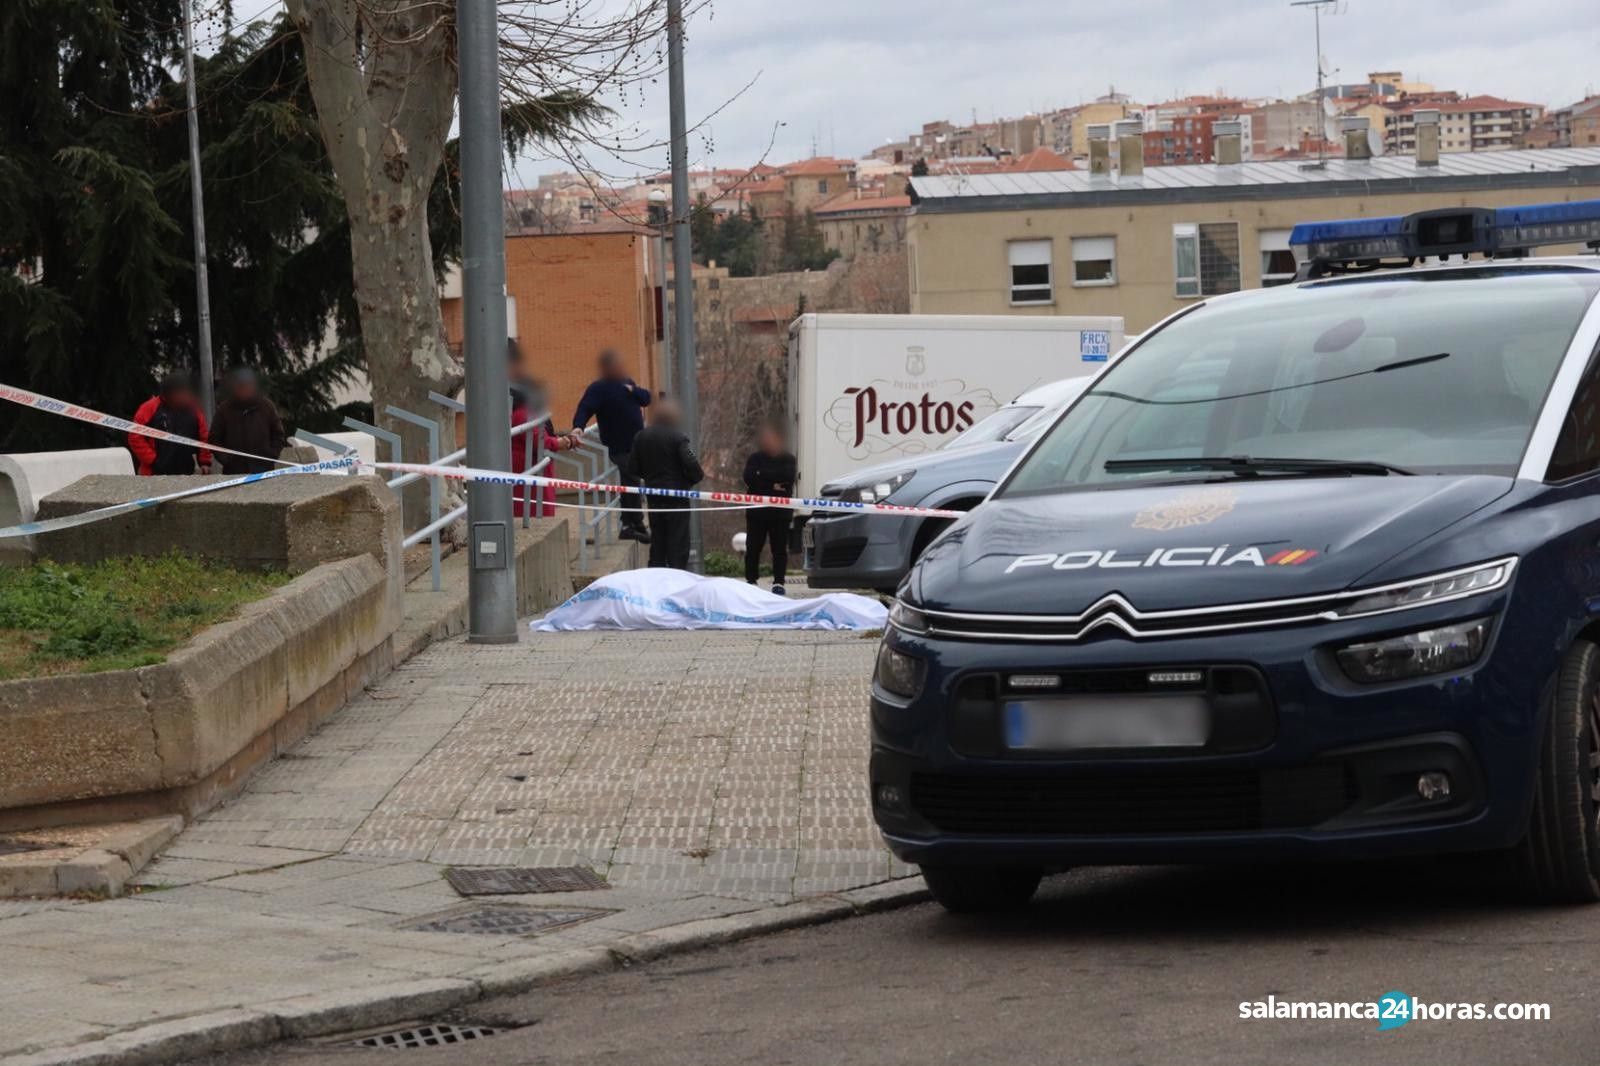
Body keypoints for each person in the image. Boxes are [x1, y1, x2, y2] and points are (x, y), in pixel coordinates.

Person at [570, 349, 652, 542]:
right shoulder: (598, 389)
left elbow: (647, 398)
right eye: (617, 366)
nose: (621, 369)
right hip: (618, 445)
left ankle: (628, 522)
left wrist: (633, 390)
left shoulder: (627, 384)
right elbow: (585, 408)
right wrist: (578, 428)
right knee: (631, 480)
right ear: (608, 368)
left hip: (636, 444)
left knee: (630, 482)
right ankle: (634, 523)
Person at [623, 398, 703, 570]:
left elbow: (632, 467)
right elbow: (694, 469)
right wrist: (686, 483)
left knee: (658, 544)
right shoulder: (678, 438)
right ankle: (677, 582)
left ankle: (655, 584)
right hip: (677, 500)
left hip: (654, 498)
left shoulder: (641, 436)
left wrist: (650, 478)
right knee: (678, 546)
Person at [507, 339, 572, 516]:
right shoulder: (521, 412)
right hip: (529, 475)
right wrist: (558, 443)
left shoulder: (523, 408)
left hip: (532, 472)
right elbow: (536, 438)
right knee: (534, 512)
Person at [742, 422, 799, 595]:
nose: (768, 442)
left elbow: (788, 477)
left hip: (780, 513)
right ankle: (751, 580)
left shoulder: (788, 459)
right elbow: (748, 478)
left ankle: (779, 582)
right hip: (757, 512)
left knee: (779, 549)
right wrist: (773, 483)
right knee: (753, 547)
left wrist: (763, 476)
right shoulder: (755, 459)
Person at [130, 373, 213, 475]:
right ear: (169, 393)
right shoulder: (149, 408)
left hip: (186, 473)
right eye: (181, 393)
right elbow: (135, 437)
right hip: (154, 474)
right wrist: (153, 460)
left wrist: (204, 462)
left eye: (186, 392)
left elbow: (203, 437)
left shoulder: (194, 410)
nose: (185, 396)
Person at [209, 368, 287, 476]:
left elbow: (278, 435)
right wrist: (226, 459)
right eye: (241, 386)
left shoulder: (266, 406)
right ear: (235, 387)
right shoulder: (224, 410)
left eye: (248, 385)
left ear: (253, 386)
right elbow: (214, 439)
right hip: (234, 472)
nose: (244, 389)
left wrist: (270, 455)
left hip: (263, 470)